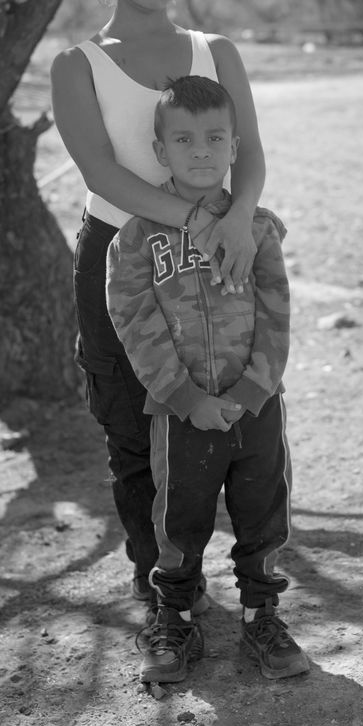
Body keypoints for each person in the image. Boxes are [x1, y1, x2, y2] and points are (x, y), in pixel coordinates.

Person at [50, 0, 267, 620]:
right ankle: (167, 598)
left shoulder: (217, 52)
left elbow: (252, 156)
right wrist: (195, 220)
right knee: (133, 429)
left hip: (217, 262)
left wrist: (234, 221)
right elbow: (102, 173)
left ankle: (245, 586)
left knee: (220, 423)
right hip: (121, 257)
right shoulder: (77, 64)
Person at [106, 75, 309, 684]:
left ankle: (261, 614)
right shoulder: (136, 239)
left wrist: (252, 390)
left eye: (215, 138)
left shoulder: (260, 229)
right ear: (162, 152)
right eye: (185, 139)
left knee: (263, 508)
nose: (200, 151)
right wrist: (186, 398)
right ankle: (172, 617)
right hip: (183, 410)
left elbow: (277, 311)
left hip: (255, 406)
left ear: (234, 147)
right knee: (179, 516)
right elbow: (133, 321)